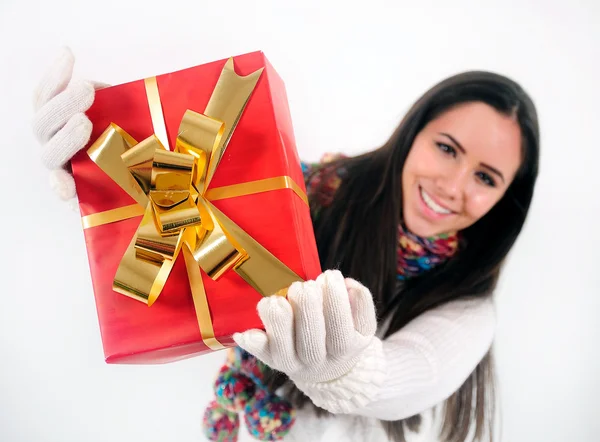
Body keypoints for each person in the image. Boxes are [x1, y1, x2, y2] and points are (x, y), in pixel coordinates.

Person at [33, 48, 539, 442]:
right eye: (446, 148)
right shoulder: (307, 192)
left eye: (486, 177)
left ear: (504, 199)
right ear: (412, 134)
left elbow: (410, 374)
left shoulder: (470, 309)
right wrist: (113, 153)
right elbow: (191, 216)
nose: (453, 184)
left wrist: (347, 369)